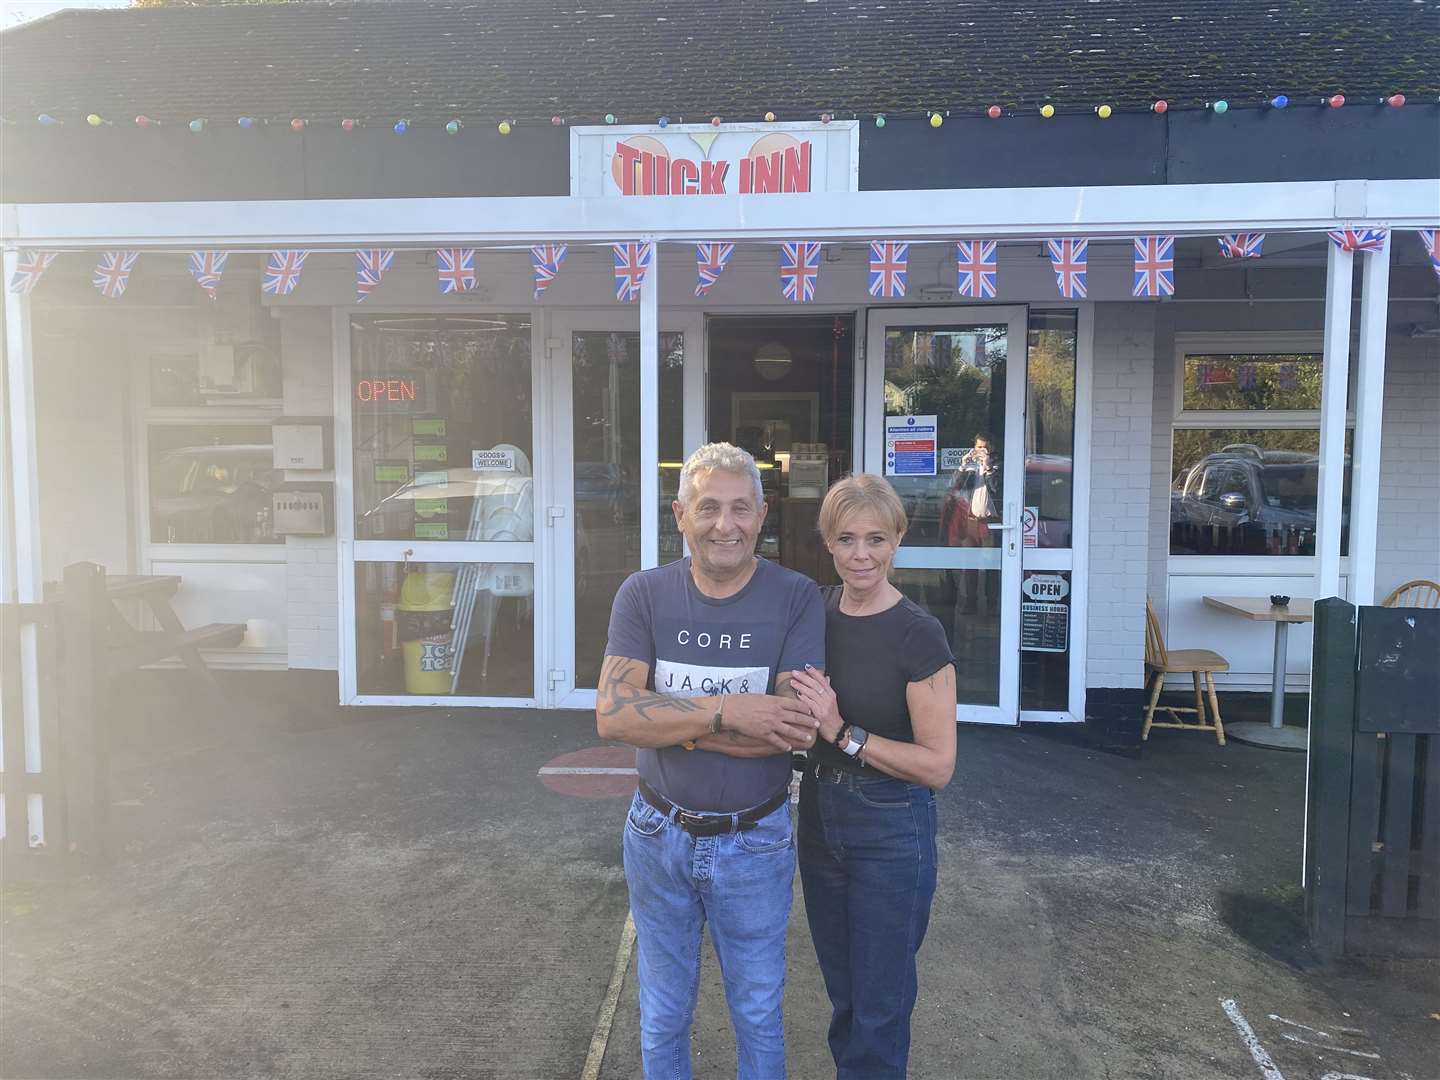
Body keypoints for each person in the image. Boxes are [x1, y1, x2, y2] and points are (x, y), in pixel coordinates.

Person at [597, 441, 826, 1080]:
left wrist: (668, 720)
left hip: (755, 839)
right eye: (708, 508)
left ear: (762, 514)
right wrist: (726, 712)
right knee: (663, 1013)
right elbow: (613, 715)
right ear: (680, 515)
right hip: (656, 833)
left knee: (756, 1014)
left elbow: (794, 727)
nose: (724, 525)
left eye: (740, 509)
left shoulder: (796, 596)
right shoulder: (642, 595)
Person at [789, 473, 958, 1080]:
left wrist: (841, 731)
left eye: (876, 540)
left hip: (891, 825)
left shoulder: (918, 633)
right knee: (846, 996)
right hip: (818, 814)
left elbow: (938, 766)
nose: (861, 555)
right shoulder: (814, 610)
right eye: (847, 539)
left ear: (897, 542)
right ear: (827, 543)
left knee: (881, 1005)